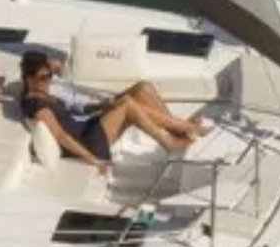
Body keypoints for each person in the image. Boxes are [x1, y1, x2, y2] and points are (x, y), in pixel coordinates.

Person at [17, 49, 206, 170]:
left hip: (89, 125)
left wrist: (102, 106)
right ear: (29, 79)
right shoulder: (36, 105)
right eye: (43, 77)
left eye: (49, 75)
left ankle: (177, 129)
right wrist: (93, 160)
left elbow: (76, 112)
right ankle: (171, 139)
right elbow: (61, 136)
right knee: (127, 105)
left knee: (143, 88)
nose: (49, 80)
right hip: (87, 141)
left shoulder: (42, 93)